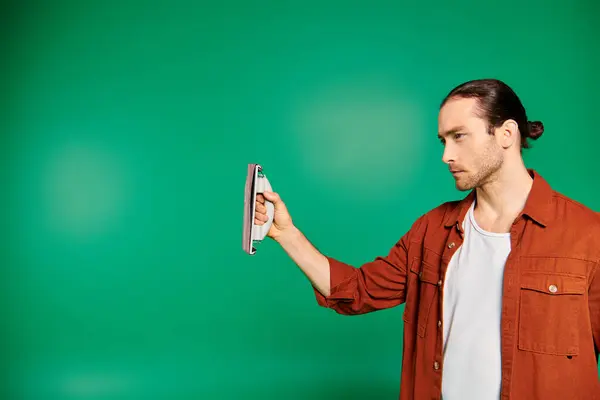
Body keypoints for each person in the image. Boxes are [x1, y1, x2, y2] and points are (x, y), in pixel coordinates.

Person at [254, 78, 600, 400]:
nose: (446, 155)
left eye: (459, 136)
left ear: (506, 134)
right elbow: (356, 290)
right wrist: (286, 234)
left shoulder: (587, 235)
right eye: (443, 140)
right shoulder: (433, 230)